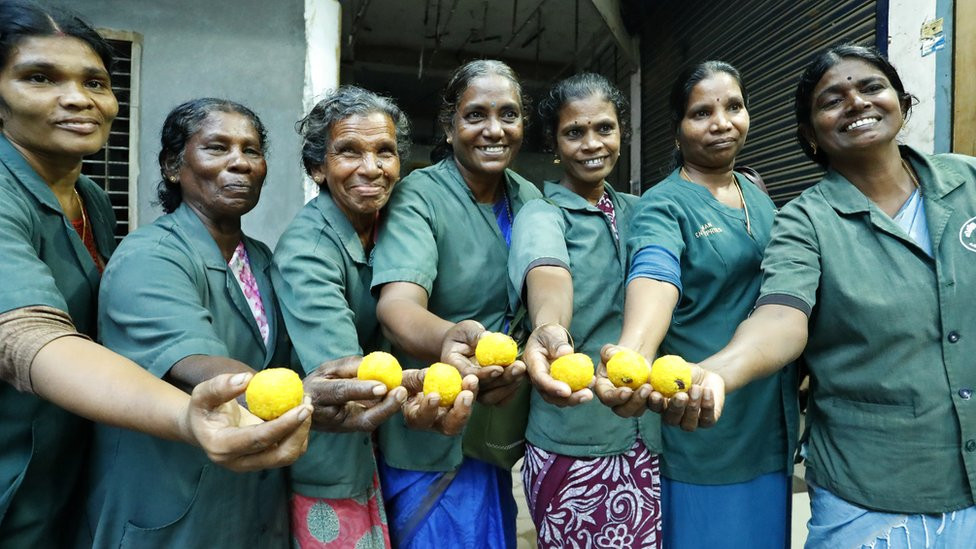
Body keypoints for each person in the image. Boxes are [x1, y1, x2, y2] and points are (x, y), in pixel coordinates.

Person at [0, 4, 311, 546]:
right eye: (39, 77)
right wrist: (189, 417)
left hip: (71, 462)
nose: (77, 98)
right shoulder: (148, 249)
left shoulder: (91, 201)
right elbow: (27, 335)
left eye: (94, 81)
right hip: (16, 460)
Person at [667, 44, 976, 547]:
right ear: (810, 134)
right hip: (873, 499)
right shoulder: (804, 221)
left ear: (902, 99)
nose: (856, 103)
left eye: (872, 87)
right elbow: (782, 315)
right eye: (832, 99)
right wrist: (719, 372)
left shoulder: (968, 181)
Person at [81, 98, 315, 548]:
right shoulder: (149, 256)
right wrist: (304, 395)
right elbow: (192, 359)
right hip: (169, 502)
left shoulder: (262, 260)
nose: (239, 163)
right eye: (217, 147)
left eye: (251, 150)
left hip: (247, 505)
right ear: (173, 165)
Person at [596, 61, 798, 548]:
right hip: (706, 421)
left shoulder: (758, 194)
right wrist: (634, 354)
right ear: (678, 127)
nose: (722, 122)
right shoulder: (665, 204)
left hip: (772, 422)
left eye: (734, 106)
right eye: (702, 112)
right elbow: (654, 272)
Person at [273, 86, 461, 548]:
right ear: (318, 167)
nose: (371, 168)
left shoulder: (383, 227)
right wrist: (431, 383)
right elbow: (348, 376)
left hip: (376, 451)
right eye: (348, 152)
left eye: (385, 152)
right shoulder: (308, 250)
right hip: (331, 458)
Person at [371, 59, 542, 548]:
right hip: (432, 428)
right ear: (448, 127)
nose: (494, 129)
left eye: (508, 114)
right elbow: (397, 306)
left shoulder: (527, 197)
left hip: (496, 425)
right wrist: (447, 337)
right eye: (476, 116)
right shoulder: (420, 196)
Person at [512, 73, 663, 548]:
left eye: (604, 128)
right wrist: (549, 329)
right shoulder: (542, 213)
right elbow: (548, 272)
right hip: (574, 437)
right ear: (554, 144)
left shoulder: (642, 211)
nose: (591, 143)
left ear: (622, 134)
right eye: (574, 133)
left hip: (647, 438)